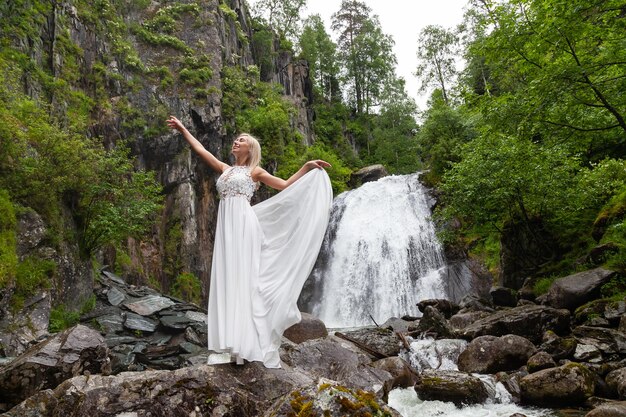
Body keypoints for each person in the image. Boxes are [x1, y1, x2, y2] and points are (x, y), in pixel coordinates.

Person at [166, 116, 333, 368]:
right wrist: (183, 129)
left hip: (244, 225)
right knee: (229, 278)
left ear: (250, 148)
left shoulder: (255, 172)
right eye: (236, 139)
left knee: (244, 279)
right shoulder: (225, 169)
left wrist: (307, 167)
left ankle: (247, 344)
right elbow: (201, 150)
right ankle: (234, 345)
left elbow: (285, 185)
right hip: (226, 227)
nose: (236, 141)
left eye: (241, 140)